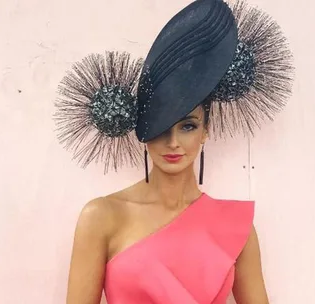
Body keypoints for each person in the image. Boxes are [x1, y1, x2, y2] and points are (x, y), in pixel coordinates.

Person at [54, 0, 294, 303]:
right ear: (140, 131)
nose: (173, 142)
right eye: (159, 127)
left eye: (188, 126)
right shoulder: (102, 217)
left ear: (207, 129)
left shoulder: (236, 228)